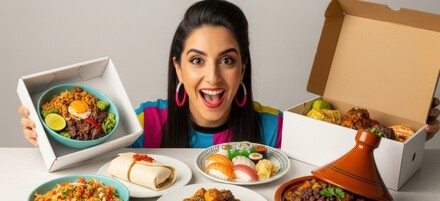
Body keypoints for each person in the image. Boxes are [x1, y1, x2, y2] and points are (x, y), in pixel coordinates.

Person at [18, 0, 440, 148]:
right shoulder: (147, 122)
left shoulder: (276, 128)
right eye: (197, 60)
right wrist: (49, 136)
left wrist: (406, 130)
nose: (213, 78)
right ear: (178, 68)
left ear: (243, 68)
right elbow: (85, 147)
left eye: (228, 59)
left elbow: (348, 148)